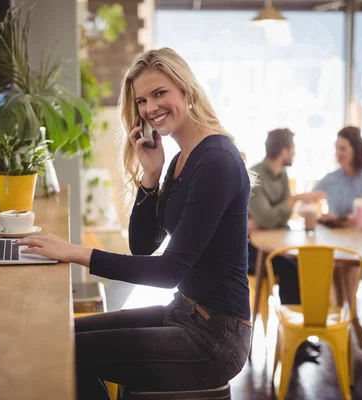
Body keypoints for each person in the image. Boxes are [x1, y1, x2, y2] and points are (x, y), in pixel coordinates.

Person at [16, 48, 254, 399]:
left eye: (160, 94)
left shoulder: (216, 159)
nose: (150, 109)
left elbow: (170, 270)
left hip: (215, 337)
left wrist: (76, 253)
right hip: (184, 312)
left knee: (66, 354)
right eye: (142, 100)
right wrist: (151, 174)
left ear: (186, 89)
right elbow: (142, 245)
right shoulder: (179, 161)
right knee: (61, 340)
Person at [314, 126, 362, 349]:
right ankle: (351, 323)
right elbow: (312, 201)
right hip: (336, 244)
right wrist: (324, 216)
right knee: (337, 264)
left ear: (356, 150)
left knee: (345, 265)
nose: (338, 153)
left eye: (343, 148)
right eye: (336, 148)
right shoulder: (330, 179)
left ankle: (350, 323)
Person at [248, 128, 326, 305]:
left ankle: (308, 316)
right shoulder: (254, 176)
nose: (295, 153)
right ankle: (292, 322)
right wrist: (295, 199)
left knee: (308, 262)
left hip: (275, 244)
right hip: (251, 250)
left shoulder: (282, 175)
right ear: (284, 151)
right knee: (292, 268)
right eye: (293, 148)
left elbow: (280, 219)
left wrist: (265, 220)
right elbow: (267, 219)